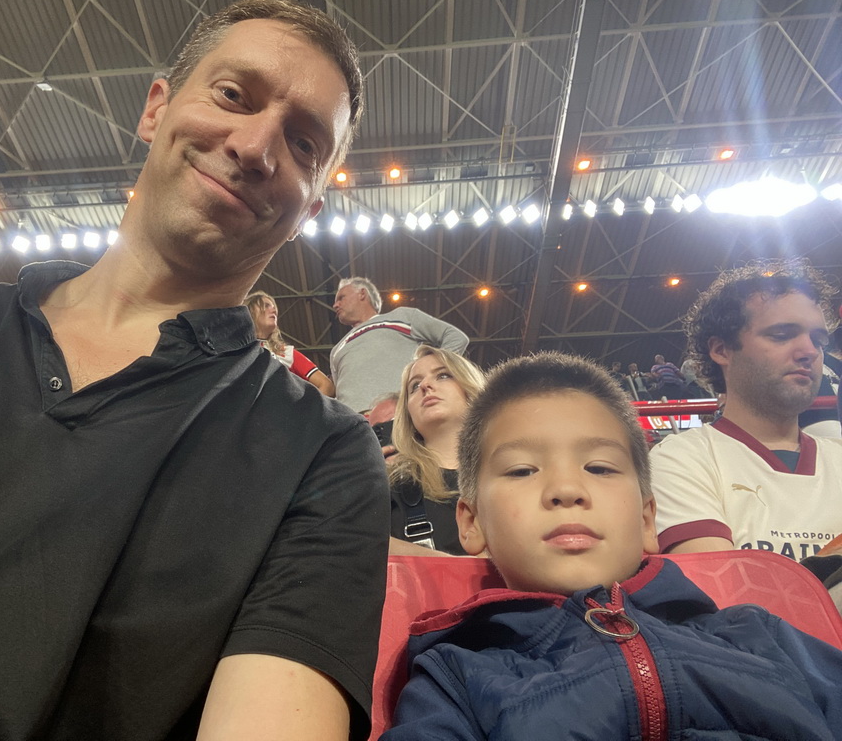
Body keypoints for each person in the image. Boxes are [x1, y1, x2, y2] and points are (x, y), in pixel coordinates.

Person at [0, 0, 389, 741]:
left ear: (311, 206)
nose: (256, 146)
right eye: (232, 96)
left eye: (306, 143)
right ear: (156, 108)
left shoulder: (323, 455)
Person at [383, 352, 842, 740]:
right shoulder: (454, 677)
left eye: (600, 468)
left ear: (647, 519)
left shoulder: (758, 636)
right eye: (522, 470)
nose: (566, 488)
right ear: (472, 522)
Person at [650, 258, 842, 560]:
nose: (809, 352)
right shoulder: (681, 458)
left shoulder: (838, 458)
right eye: (781, 335)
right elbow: (723, 594)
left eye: (818, 340)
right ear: (721, 349)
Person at [387, 345, 485, 556]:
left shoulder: (522, 473)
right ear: (408, 413)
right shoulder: (386, 483)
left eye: (443, 375)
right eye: (414, 386)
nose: (425, 385)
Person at [329, 277, 469, 412]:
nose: (335, 305)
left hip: (400, 418)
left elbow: (455, 337)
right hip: (353, 429)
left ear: (362, 294)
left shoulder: (402, 317)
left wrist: (430, 375)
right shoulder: (336, 350)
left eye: (341, 298)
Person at [245, 290, 334, 395]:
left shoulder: (286, 352)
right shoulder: (235, 351)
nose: (274, 310)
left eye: (274, 307)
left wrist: (306, 410)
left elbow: (326, 385)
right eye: (266, 305)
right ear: (250, 311)